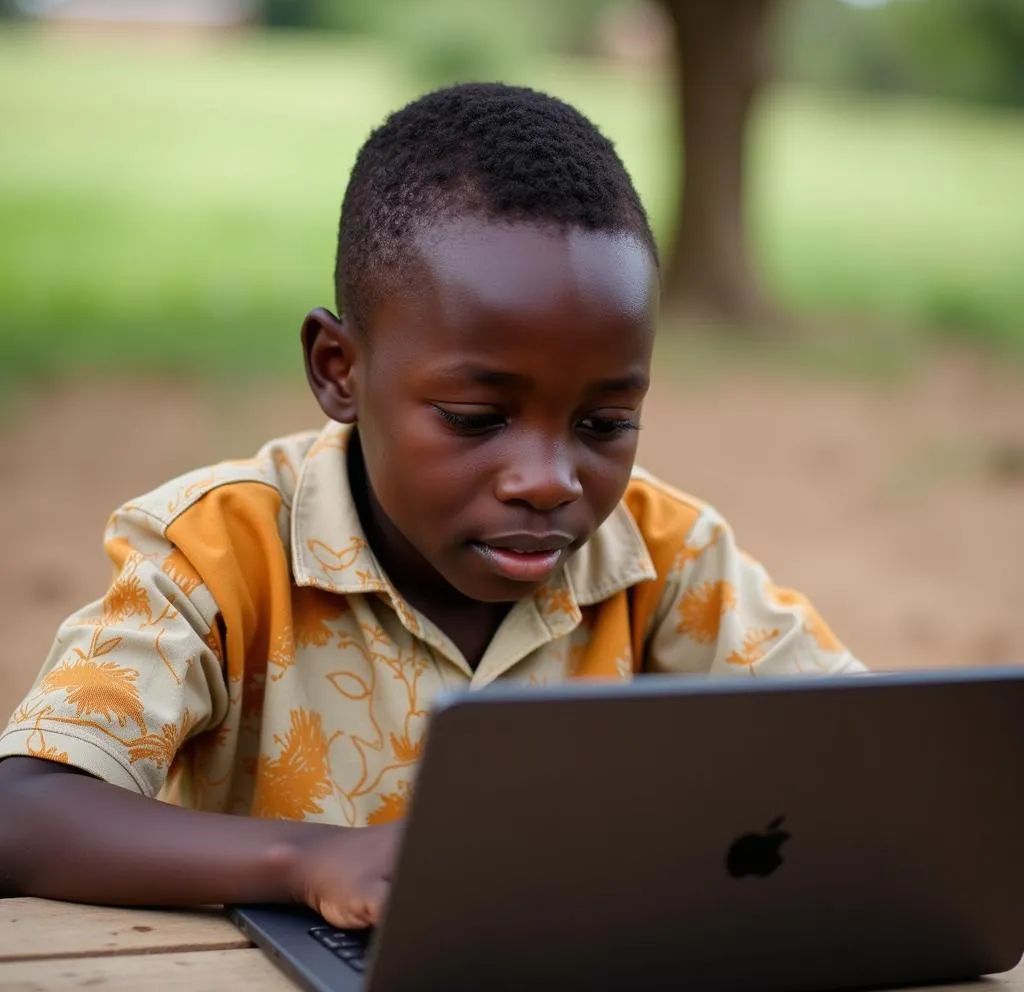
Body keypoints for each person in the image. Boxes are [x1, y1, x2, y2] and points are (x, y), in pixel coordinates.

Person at [0, 83, 864, 927]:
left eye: (605, 422)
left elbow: (878, 758)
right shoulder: (218, 552)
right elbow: (26, 811)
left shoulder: (667, 558)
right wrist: (306, 861)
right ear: (340, 369)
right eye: (477, 419)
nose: (547, 478)